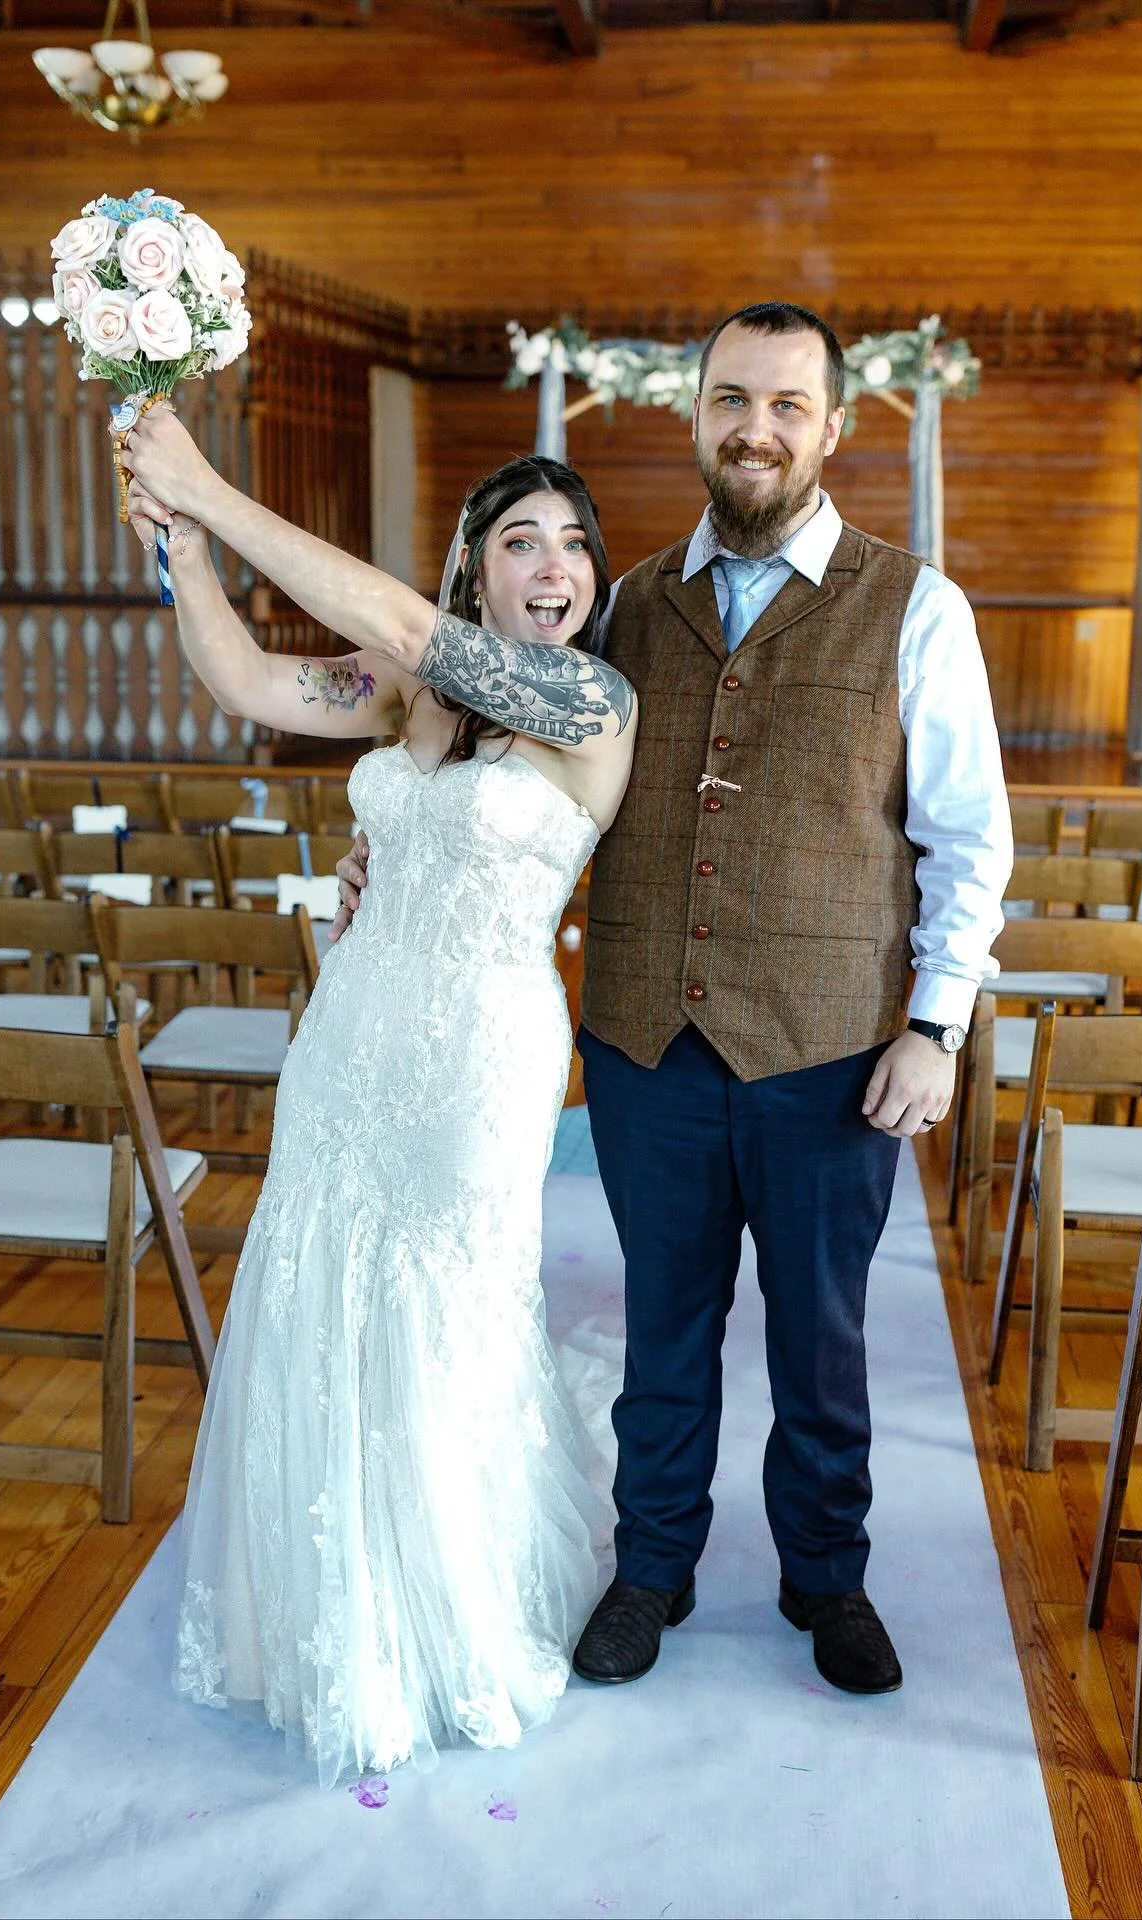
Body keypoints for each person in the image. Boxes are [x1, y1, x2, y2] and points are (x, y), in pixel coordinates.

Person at [338, 300, 1011, 1701]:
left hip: (836, 1052)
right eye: (729, 401)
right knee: (663, 1329)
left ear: (832, 426)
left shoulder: (918, 607)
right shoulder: (621, 602)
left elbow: (970, 835)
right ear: (695, 416)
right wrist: (382, 855)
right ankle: (654, 1566)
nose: (754, 428)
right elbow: (495, 766)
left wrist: (936, 1025)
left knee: (824, 1344)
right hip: (650, 1041)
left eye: (784, 404)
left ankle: (827, 1577)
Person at [120, 418, 635, 1783]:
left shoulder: (592, 705)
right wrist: (180, 547)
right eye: (522, 538)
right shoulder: (410, 694)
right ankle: (317, 1607)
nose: (555, 563)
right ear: (479, 563)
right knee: (316, 1287)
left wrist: (210, 489)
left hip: (477, 1051)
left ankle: (439, 1617)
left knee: (440, 1304)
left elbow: (401, 619)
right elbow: (246, 682)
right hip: (350, 1033)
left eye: (576, 543)